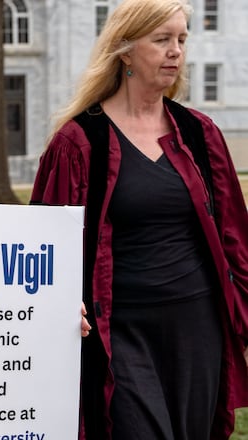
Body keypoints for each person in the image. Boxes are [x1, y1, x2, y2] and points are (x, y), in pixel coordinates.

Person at [29, 0, 248, 438]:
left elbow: (234, 237)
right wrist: (52, 307)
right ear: (125, 50)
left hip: (196, 327)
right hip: (119, 331)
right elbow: (45, 246)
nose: (176, 51)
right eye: (162, 39)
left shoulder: (200, 134)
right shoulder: (80, 141)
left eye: (182, 39)